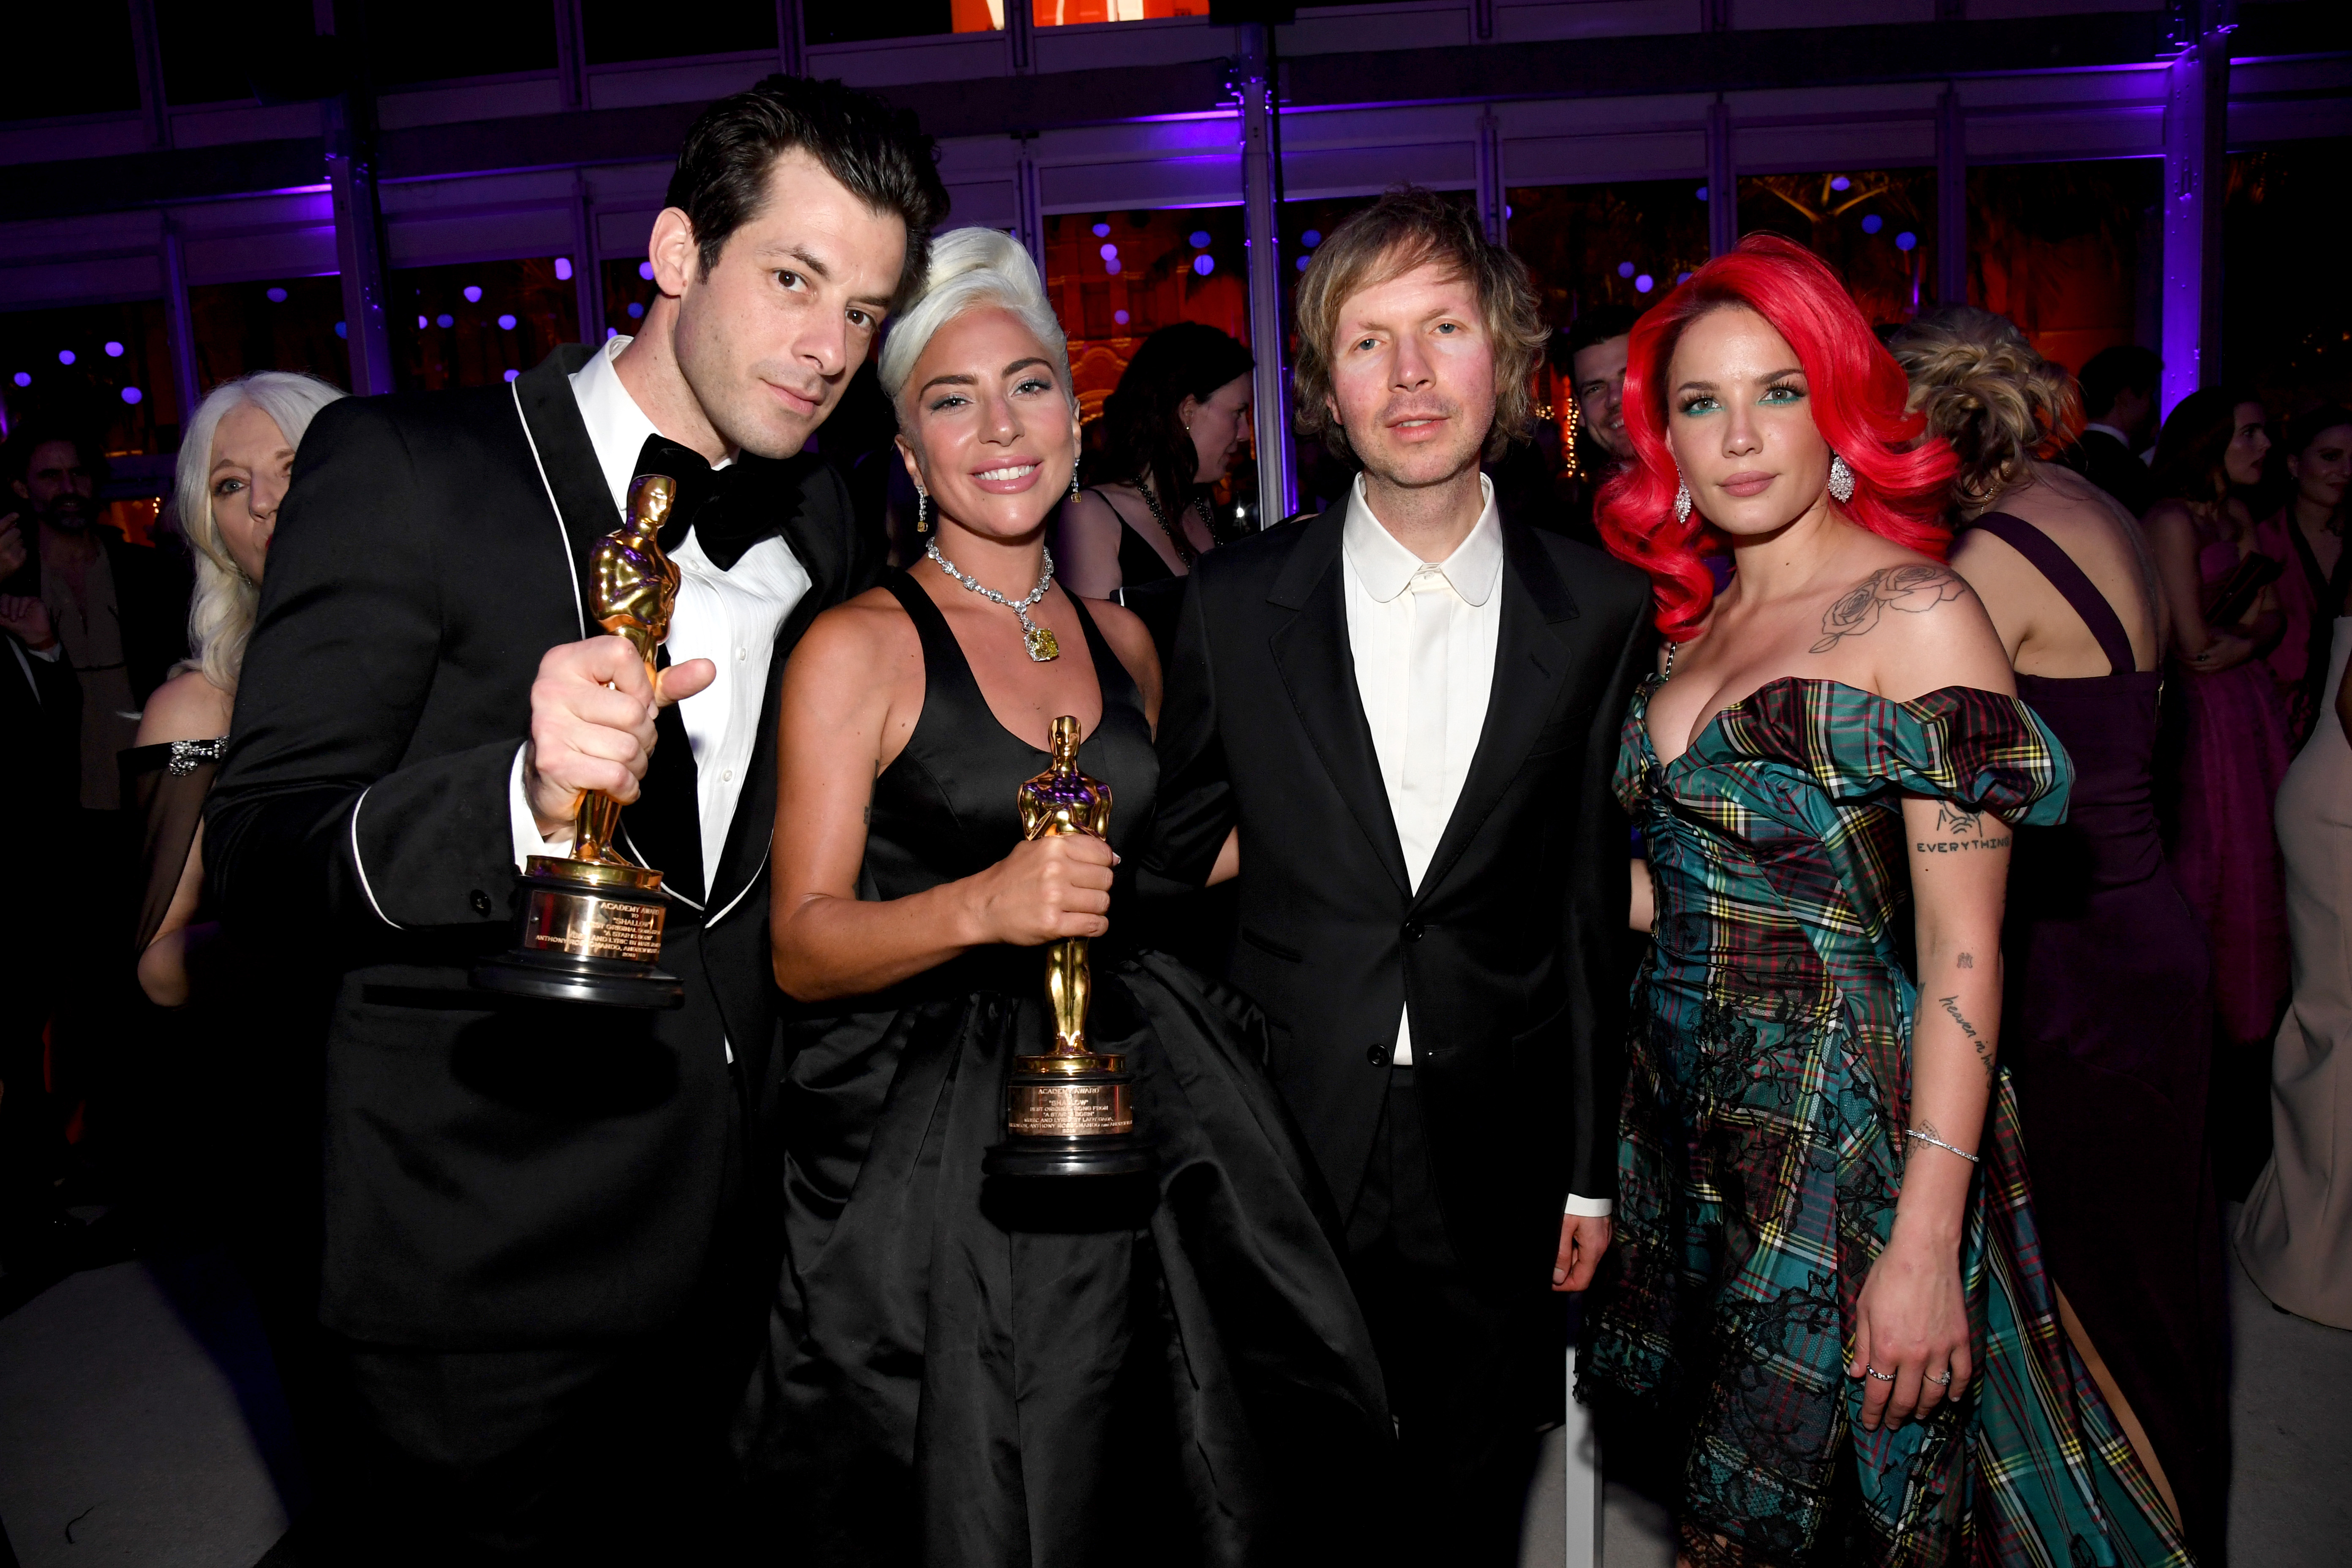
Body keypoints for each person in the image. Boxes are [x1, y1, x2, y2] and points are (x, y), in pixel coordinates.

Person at [204, 76, 945, 1559]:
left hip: (733, 1273)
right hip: (472, 1285)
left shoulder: (818, 517)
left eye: (863, 311)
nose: (825, 350)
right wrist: (514, 800)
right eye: (792, 280)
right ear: (675, 253)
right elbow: (262, 854)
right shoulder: (410, 467)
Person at [737, 226, 1387, 1565]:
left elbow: (1149, 870)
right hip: (941, 1150)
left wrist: (1353, 805)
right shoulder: (856, 646)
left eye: (1028, 384)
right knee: (1000, 1473)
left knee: (1186, 1460)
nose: (999, 427)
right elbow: (799, 947)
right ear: (907, 455)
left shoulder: (1129, 639)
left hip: (1155, 1097)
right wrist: (987, 902)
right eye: (950, 400)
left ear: (1076, 421)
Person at [1585, 236, 2186, 1566]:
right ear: (1663, 443)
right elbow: (1682, 896)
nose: (1738, 436)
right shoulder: (1686, 625)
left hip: (1846, 1136)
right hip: (1687, 1132)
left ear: (1841, 407)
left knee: (1807, 1522)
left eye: (1778, 390)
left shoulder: (1920, 612)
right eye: (1699, 404)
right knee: (1728, 1493)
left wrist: (1924, 1240)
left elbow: (1965, 955)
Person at [1141, 186, 1653, 1562]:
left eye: (1443, 329)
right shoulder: (1234, 604)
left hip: (1497, 1136)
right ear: (1322, 385)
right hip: (1284, 1131)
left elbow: (1588, 910)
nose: (1411, 375)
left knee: (1475, 1497)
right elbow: (1169, 869)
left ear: (1506, 356)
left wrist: (1590, 1170)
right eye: (1368, 342)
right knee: (1292, 1497)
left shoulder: (1598, 609)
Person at [1894, 306, 2227, 1560]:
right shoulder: (2087, 506)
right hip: (2140, 935)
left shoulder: (1981, 564)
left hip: (2074, 966)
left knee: (2090, 1298)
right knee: (2156, 1288)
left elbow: (1910, 758)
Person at [2146, 389, 2291, 1193]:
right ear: (2208, 439)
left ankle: (2249, 1043)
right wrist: (2243, 641)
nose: (2263, 443)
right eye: (2249, 431)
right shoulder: (2169, 518)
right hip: (2201, 720)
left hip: (2244, 706)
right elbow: (2189, 643)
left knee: (2258, 869)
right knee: (2212, 867)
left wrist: (2240, 644)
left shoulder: (2232, 514)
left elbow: (2270, 621)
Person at [2237, 602, 2352, 1330]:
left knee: (2330, 1027)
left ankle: (2283, 1236)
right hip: (2342, 808)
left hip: (2332, 796)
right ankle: (2313, 1271)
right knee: (2339, 1034)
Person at [1053, 321, 1252, 649]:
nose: (1244, 433)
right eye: (1237, 413)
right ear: (1188, 411)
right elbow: (1098, 666)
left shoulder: (1200, 506)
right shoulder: (1092, 516)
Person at [0, 509, 79, 1272]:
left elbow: (56, 736)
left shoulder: (16, 620)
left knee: (25, 1046)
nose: (13, 530)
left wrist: (45, 649)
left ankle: (37, 1204)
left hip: (32, 873)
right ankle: (25, 1218)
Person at [2254, 404, 2352, 747]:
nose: (2347, 470)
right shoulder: (2261, 542)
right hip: (2276, 728)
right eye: (2331, 457)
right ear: (2294, 464)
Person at [2069, 343, 2161, 519]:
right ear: (2126, 396)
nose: (2150, 406)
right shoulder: (2132, 474)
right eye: (2149, 395)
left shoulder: (2063, 460)